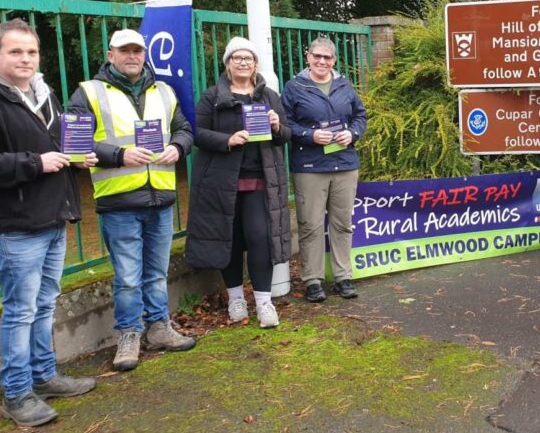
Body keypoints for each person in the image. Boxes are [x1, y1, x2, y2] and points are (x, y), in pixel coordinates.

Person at [0, 19, 96, 426]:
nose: (25, 59)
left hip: (52, 215)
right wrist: (34, 163)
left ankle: (44, 375)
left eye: (31, 52)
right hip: (15, 224)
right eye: (15, 51)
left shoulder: (44, 95)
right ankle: (17, 393)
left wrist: (77, 156)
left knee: (44, 304)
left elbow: (58, 143)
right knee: (20, 310)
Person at [67, 29, 195, 372]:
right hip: (119, 201)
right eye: (125, 51)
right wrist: (118, 154)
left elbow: (184, 129)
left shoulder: (163, 91)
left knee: (156, 273)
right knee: (127, 276)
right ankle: (128, 334)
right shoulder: (89, 92)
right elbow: (74, 143)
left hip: (161, 199)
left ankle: (159, 328)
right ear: (111, 55)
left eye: (137, 50)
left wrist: (177, 147)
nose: (132, 56)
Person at [185, 38, 292, 328]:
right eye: (237, 58)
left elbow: (286, 135)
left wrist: (275, 127)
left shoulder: (269, 96)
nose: (243, 62)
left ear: (255, 64)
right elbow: (197, 134)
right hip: (223, 183)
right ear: (227, 63)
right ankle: (235, 299)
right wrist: (227, 140)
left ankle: (264, 302)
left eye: (248, 58)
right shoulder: (212, 97)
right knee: (228, 241)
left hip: (260, 180)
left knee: (260, 238)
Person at [282, 37, 366, 302]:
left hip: (344, 164)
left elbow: (360, 117)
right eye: (317, 56)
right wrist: (309, 135)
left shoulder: (344, 85)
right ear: (308, 57)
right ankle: (313, 280)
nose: (321, 61)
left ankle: (344, 277)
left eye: (327, 58)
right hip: (310, 167)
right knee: (311, 225)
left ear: (334, 60)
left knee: (343, 224)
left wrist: (351, 134)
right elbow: (285, 124)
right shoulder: (294, 87)